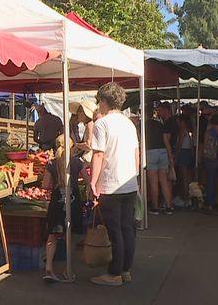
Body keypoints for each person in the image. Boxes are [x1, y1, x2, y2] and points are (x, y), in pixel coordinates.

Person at [89, 83, 139, 286]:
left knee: (115, 230)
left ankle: (114, 273)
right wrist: (135, 176)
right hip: (129, 183)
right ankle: (125, 269)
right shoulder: (129, 123)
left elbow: (99, 154)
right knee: (127, 228)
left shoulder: (102, 124)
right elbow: (136, 153)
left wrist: (93, 182)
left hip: (111, 184)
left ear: (103, 101)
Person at [43, 135, 83, 283]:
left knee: (52, 235)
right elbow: (86, 179)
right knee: (70, 236)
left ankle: (48, 268)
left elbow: (45, 184)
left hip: (56, 202)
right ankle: (68, 269)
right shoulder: (76, 162)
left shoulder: (51, 164)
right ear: (71, 147)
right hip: (73, 201)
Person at [144, 106, 173, 215]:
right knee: (164, 181)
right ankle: (169, 207)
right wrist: (170, 156)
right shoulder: (160, 124)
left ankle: (155, 208)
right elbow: (166, 141)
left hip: (150, 152)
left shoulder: (143, 126)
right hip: (163, 151)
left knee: (153, 182)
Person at [175, 114, 195, 208]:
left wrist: (176, 155)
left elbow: (179, 144)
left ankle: (185, 198)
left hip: (183, 153)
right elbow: (191, 145)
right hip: (188, 153)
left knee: (183, 178)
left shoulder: (182, 131)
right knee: (187, 177)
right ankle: (188, 197)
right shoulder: (190, 131)